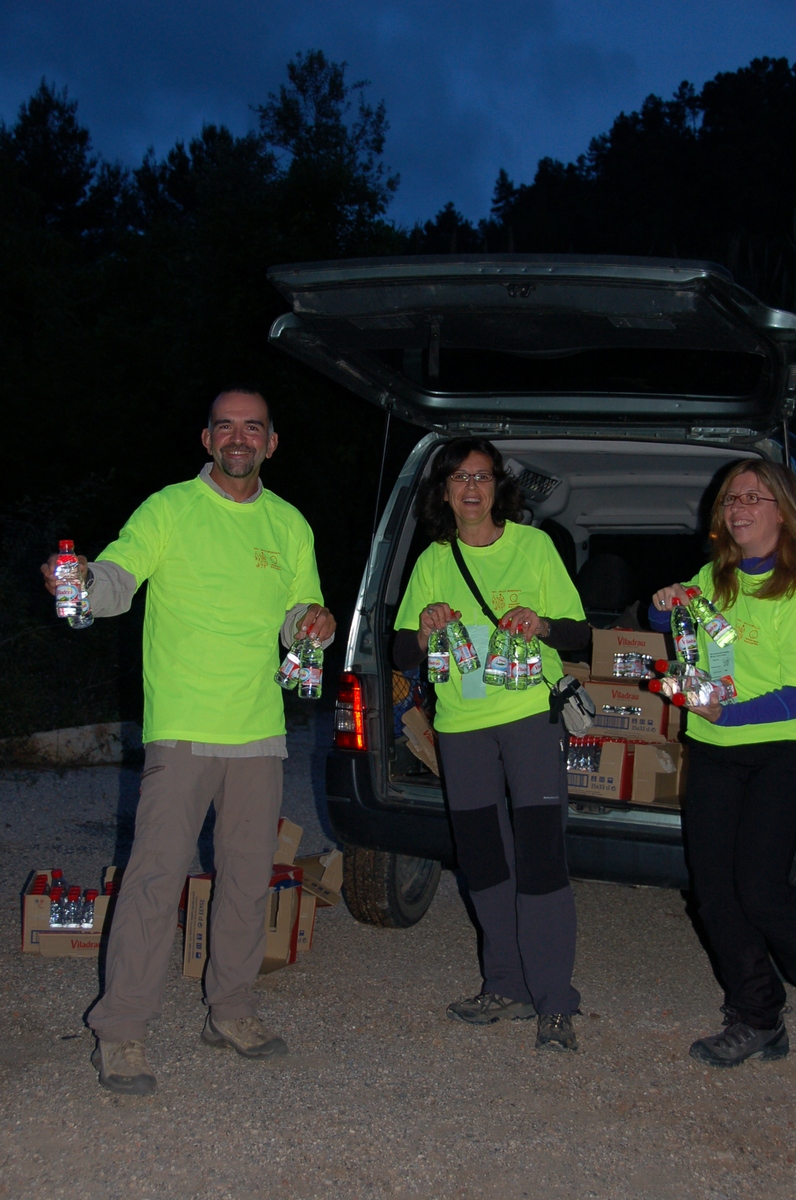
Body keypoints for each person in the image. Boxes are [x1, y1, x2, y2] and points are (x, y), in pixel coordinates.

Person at [41, 388, 335, 1095]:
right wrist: (81, 581)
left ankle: (230, 1010)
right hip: (182, 728)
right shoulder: (168, 508)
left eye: (252, 427)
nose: (238, 438)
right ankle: (121, 1031)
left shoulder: (290, 524)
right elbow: (118, 579)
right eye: (225, 426)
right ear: (207, 439)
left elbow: (298, 612)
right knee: (153, 879)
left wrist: (314, 622)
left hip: (259, 729)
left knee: (246, 880)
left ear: (271, 443)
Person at [393, 437, 589, 1050]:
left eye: (481, 477)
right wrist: (424, 630)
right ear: (445, 491)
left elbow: (579, 633)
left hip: (529, 718)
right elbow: (400, 651)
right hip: (461, 726)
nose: (471, 488)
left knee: (541, 857)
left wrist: (542, 624)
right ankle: (506, 985)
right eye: (459, 478)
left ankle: (554, 1000)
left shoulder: (533, 547)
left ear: (497, 486)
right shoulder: (433, 560)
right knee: (484, 859)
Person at [650, 459, 796, 1068]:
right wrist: (664, 603)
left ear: (783, 511)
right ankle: (758, 1016)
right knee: (712, 893)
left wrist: (729, 715)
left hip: (780, 752)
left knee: (760, 891)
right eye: (732, 499)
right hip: (712, 751)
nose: (739, 508)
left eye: (755, 498)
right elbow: (666, 621)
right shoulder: (714, 577)